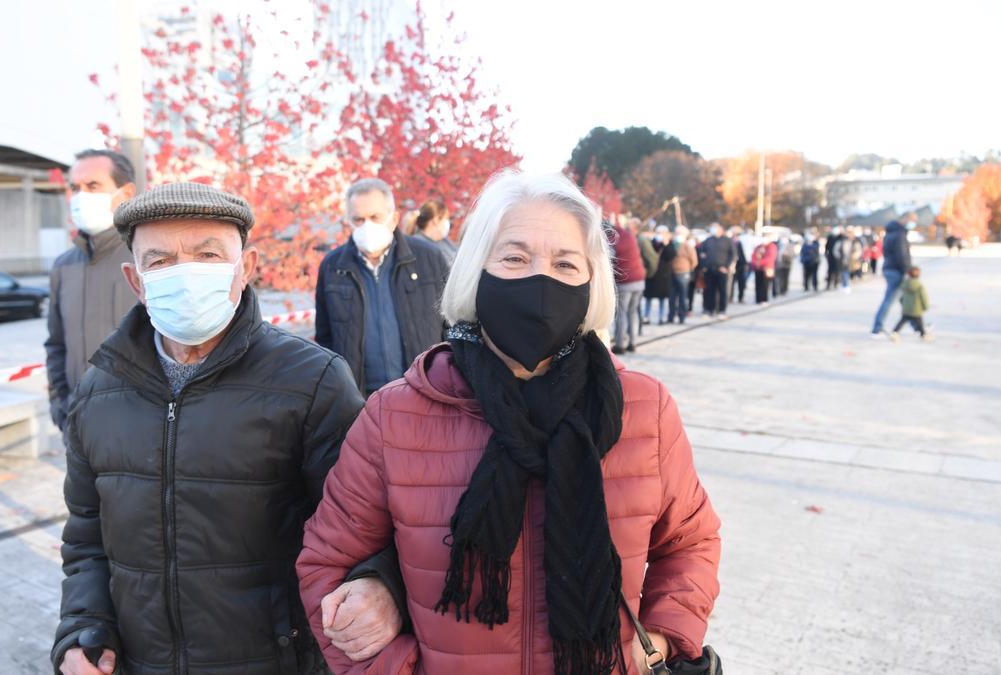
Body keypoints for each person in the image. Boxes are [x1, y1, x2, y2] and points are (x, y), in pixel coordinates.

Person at [297, 170, 721, 675]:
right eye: (515, 258)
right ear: (477, 271)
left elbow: (691, 543)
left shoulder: (643, 408)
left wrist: (661, 638)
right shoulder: (397, 413)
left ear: (592, 282)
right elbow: (327, 564)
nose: (539, 282)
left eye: (566, 264)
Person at [53, 182, 404, 675]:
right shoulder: (97, 393)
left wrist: (380, 585)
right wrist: (82, 630)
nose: (184, 273)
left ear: (247, 268)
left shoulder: (312, 381)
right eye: (160, 261)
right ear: (136, 281)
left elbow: (373, 524)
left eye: (208, 254)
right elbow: (87, 538)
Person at [315, 178, 450, 396]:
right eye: (358, 219)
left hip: (425, 397)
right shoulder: (332, 268)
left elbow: (452, 327)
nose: (366, 225)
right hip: (361, 402)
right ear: (348, 222)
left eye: (375, 217)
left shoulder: (429, 258)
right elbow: (325, 339)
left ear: (393, 218)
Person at [44, 149, 140, 433]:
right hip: (77, 427)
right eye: (75, 188)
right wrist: (60, 407)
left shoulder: (148, 259)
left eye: (93, 186)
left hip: (137, 430)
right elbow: (56, 345)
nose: (81, 196)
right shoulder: (64, 267)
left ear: (125, 193)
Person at [608, 216, 646, 354]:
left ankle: (619, 345)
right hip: (639, 280)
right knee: (632, 312)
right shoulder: (629, 236)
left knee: (621, 314)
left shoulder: (614, 240)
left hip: (626, 282)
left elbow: (610, 261)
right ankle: (632, 343)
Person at [871, 219, 912, 337]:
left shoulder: (889, 234)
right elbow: (902, 254)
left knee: (906, 300)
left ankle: (918, 326)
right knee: (890, 299)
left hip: (889, 269)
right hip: (897, 271)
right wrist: (906, 271)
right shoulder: (899, 235)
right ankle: (876, 327)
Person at [699, 223, 734, 319]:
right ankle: (709, 309)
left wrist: (726, 266)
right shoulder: (708, 240)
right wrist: (704, 266)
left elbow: (732, 255)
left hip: (722, 269)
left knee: (722, 291)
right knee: (709, 290)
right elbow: (701, 253)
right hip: (709, 269)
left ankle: (722, 310)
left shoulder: (727, 241)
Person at [643, 224, 675, 324]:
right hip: (652, 274)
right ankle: (646, 317)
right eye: (659, 233)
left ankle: (661, 317)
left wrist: (666, 244)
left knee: (662, 299)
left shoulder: (669, 244)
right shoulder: (651, 243)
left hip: (663, 275)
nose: (660, 235)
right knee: (648, 297)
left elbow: (671, 256)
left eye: (662, 233)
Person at [888, 265, 931, 342]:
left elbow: (901, 297)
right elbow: (923, 297)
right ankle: (923, 334)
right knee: (919, 322)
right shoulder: (919, 286)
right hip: (916, 309)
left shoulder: (905, 285)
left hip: (906, 309)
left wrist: (903, 304)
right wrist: (925, 306)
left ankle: (895, 332)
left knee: (902, 321)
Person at [412, 199, 459, 265]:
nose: (448, 223)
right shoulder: (418, 245)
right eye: (446, 218)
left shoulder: (444, 240)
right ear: (435, 220)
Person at [670, 226, 698, 323]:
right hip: (672, 272)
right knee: (672, 296)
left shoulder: (687, 246)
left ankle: (682, 316)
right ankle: (671, 316)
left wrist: (688, 269)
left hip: (683, 273)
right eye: (676, 233)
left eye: (679, 233)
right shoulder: (672, 244)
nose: (677, 235)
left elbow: (694, 261)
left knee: (683, 296)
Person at [750, 235, 777, 305]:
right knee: (757, 284)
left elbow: (771, 258)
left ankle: (764, 299)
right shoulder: (758, 247)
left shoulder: (772, 247)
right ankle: (758, 299)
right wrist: (755, 263)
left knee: (765, 285)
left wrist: (760, 262)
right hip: (758, 268)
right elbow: (753, 255)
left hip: (766, 268)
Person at [730, 226, 750, 303]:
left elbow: (743, 254)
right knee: (731, 282)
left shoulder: (740, 242)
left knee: (741, 283)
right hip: (732, 264)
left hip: (740, 264)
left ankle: (740, 297)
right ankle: (730, 297)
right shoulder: (730, 242)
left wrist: (745, 264)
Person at [824, 226, 842, 290]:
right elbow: (827, 246)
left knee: (837, 271)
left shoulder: (840, 238)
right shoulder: (830, 237)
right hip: (831, 257)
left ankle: (836, 283)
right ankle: (828, 284)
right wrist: (826, 253)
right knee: (830, 271)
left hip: (838, 258)